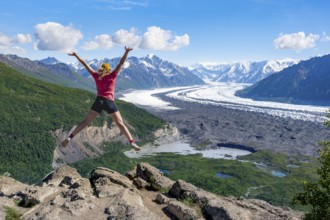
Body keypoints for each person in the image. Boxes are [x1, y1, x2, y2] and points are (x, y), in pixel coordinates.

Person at [61, 47, 140, 151]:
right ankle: (132, 142)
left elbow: (85, 64)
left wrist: (76, 55)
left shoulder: (96, 75)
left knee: (85, 122)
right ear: (109, 70)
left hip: (98, 101)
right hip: (109, 102)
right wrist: (126, 52)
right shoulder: (112, 75)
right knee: (120, 124)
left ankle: (69, 137)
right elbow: (121, 63)